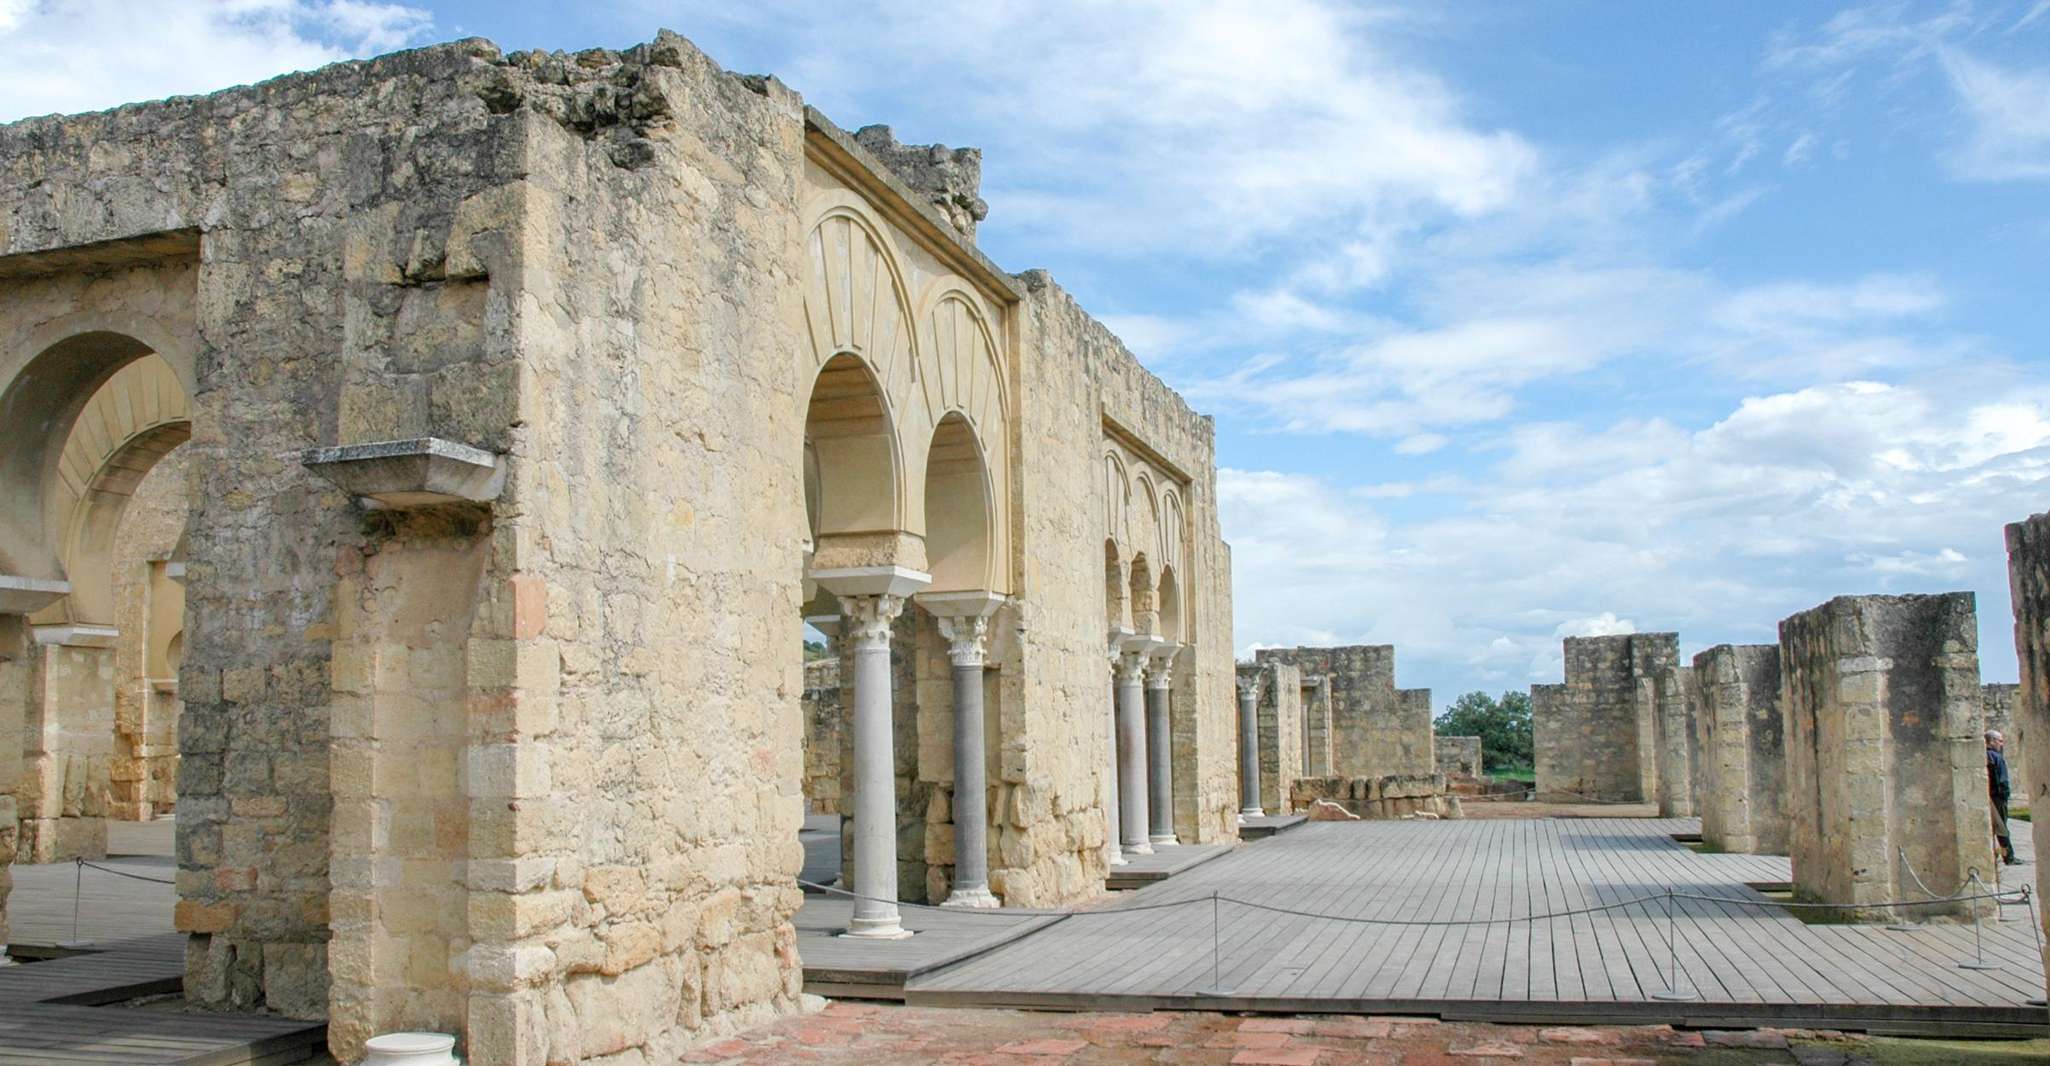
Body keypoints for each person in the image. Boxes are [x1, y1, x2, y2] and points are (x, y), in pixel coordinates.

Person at [1987, 729, 2020, 866]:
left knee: (2000, 828)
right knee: (2002, 829)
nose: (2002, 744)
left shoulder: (1991, 756)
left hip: (1995, 795)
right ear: (1991, 741)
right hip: (1997, 797)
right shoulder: (1994, 756)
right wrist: (2004, 794)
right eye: (1999, 741)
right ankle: (2008, 857)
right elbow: (2000, 780)